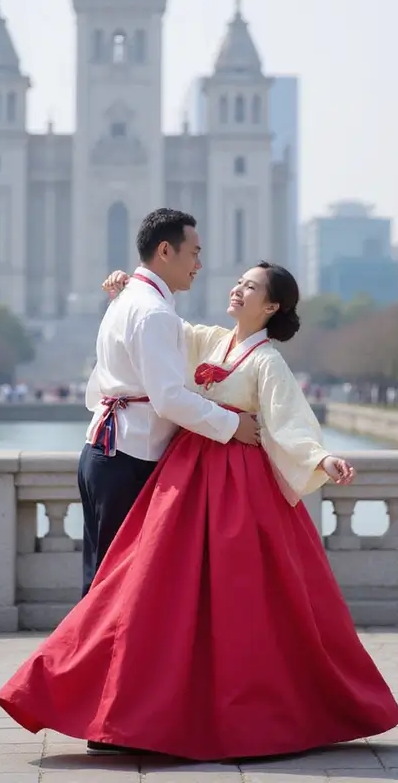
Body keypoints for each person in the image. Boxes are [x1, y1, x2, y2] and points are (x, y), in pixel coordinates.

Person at [0, 260, 398, 761]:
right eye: (239, 282)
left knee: (237, 602)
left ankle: (241, 711)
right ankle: (134, 704)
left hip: (237, 490)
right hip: (183, 481)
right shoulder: (210, 339)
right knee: (148, 591)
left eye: (249, 287)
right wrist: (126, 293)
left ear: (271, 306)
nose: (236, 289)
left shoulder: (268, 362)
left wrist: (322, 457)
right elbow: (163, 333)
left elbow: (289, 423)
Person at [76, 208, 259, 599]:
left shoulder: (128, 299)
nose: (199, 264)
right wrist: (232, 426)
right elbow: (169, 399)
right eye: (193, 252)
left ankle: (92, 659)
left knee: (101, 584)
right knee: (119, 591)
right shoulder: (152, 311)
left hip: (106, 450)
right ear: (165, 251)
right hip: (129, 458)